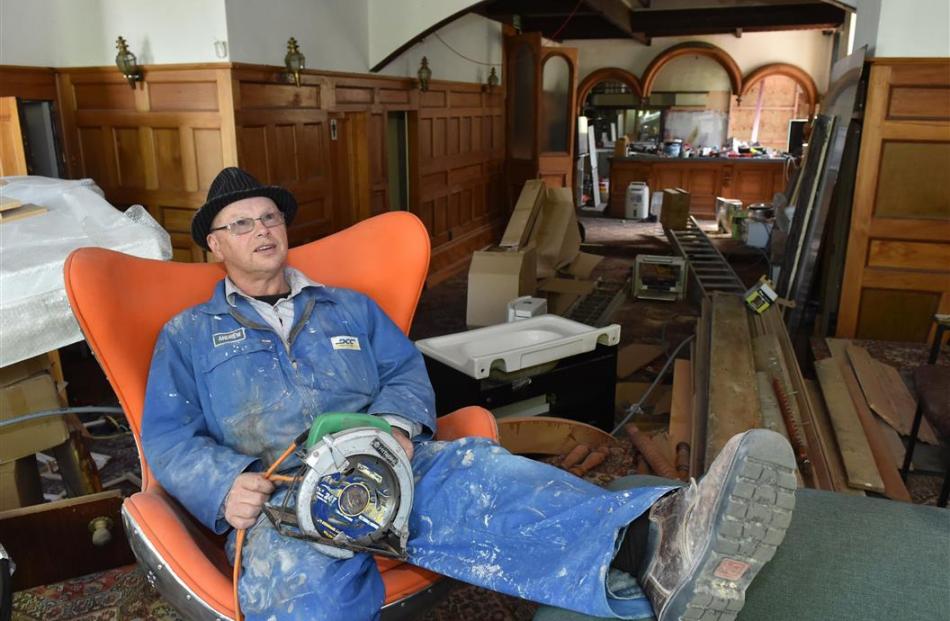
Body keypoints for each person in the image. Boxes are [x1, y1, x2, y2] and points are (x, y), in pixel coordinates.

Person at [142, 167, 798, 621]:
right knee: (308, 591)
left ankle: (656, 543)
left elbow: (403, 374)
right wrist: (227, 483)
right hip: (283, 499)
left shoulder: (348, 308)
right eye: (242, 223)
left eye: (270, 217)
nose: (263, 230)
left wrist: (399, 427)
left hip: (386, 461)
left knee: (492, 478)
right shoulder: (190, 335)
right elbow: (168, 436)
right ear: (214, 243)